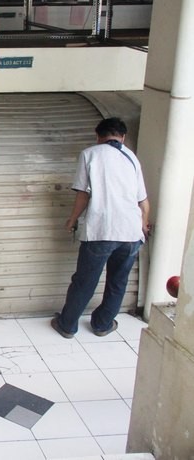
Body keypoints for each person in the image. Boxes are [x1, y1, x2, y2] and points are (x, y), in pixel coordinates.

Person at [52, 117, 150, 338]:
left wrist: (72, 219)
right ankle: (102, 324)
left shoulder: (90, 154)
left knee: (85, 280)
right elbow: (143, 202)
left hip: (102, 230)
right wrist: (142, 225)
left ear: (98, 136)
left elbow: (83, 194)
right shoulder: (132, 158)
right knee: (118, 281)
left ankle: (67, 325)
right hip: (131, 232)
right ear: (122, 137)